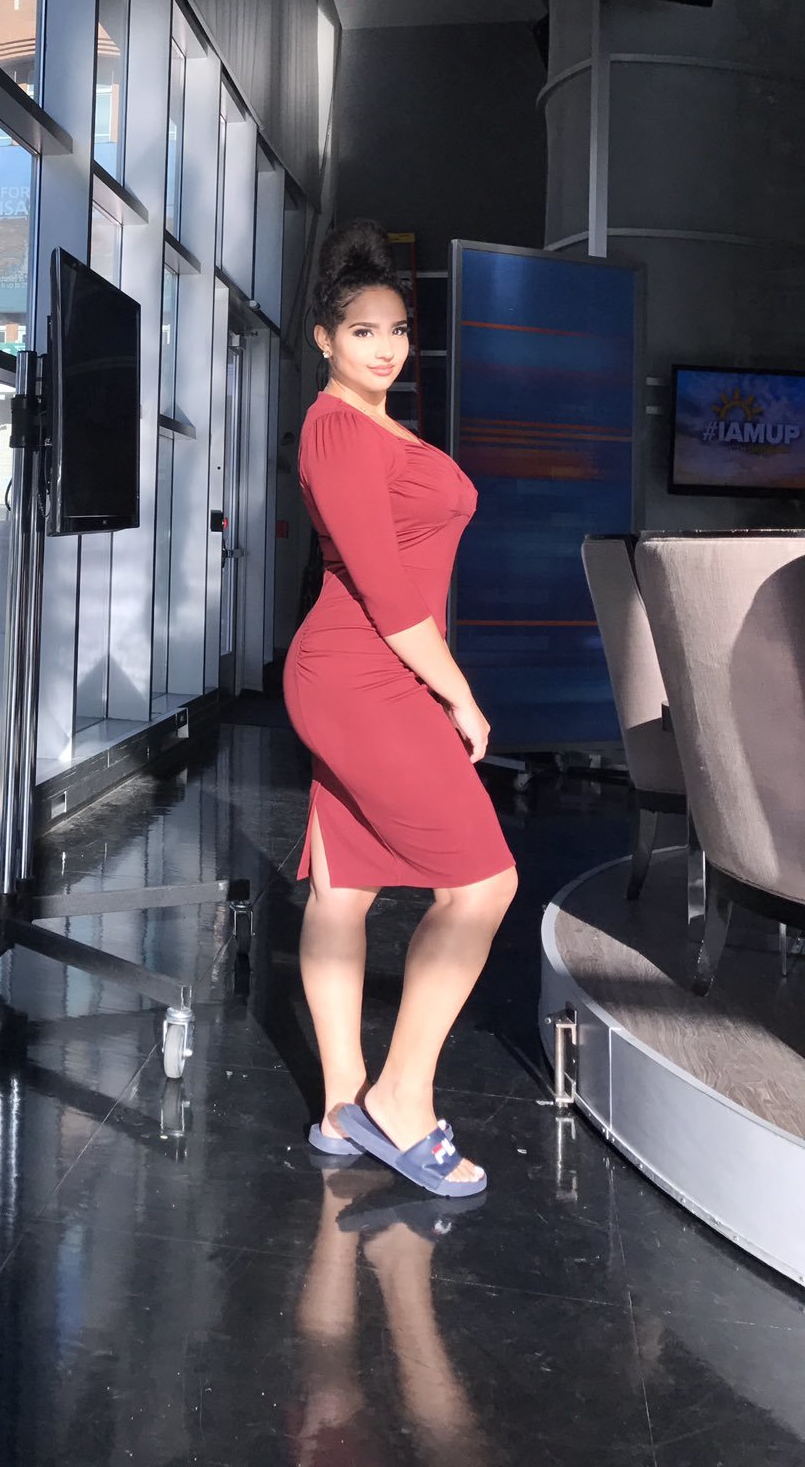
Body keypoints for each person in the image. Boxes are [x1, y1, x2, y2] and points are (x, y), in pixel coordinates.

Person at [284, 219, 517, 1199]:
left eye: (396, 330)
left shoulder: (378, 425)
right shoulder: (335, 428)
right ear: (324, 340)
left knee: (344, 891)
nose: (385, 348)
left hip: (377, 671)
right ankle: (400, 1101)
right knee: (484, 883)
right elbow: (384, 590)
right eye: (362, 331)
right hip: (359, 674)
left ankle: (345, 1107)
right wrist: (460, 692)